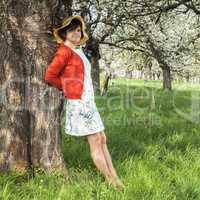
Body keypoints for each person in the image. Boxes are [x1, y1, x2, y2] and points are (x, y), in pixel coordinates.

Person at [44, 15, 125, 190]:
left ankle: (115, 175)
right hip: (79, 102)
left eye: (78, 30)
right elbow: (50, 75)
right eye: (72, 29)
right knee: (95, 139)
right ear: (65, 32)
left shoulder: (78, 50)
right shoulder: (64, 51)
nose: (75, 32)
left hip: (89, 101)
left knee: (102, 138)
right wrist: (68, 88)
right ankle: (111, 181)